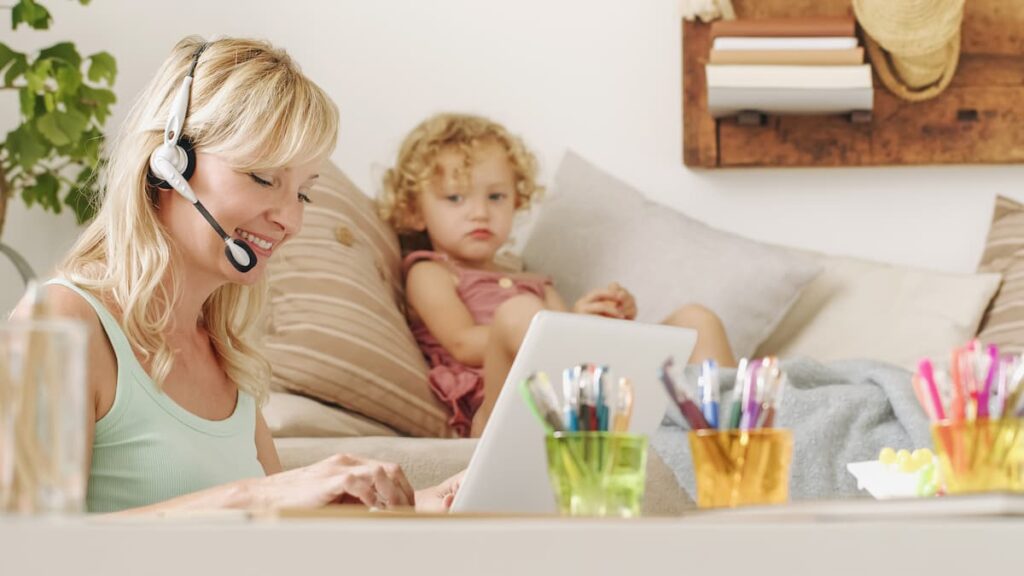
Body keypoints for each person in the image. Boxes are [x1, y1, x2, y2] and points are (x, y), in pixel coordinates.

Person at [9, 36, 458, 514]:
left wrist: (431, 503)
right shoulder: (60, 320)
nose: (290, 219)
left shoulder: (225, 355)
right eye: (263, 178)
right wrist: (251, 495)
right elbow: (22, 546)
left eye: (303, 193)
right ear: (170, 163)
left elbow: (278, 522)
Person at [378, 113, 736, 438]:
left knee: (696, 320)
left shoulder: (535, 283)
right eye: (455, 198)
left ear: (516, 201)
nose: (480, 212)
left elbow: (573, 349)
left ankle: (725, 441)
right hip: (499, 409)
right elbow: (461, 343)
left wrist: (604, 317)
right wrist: (557, 325)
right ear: (414, 212)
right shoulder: (431, 272)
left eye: (496, 196)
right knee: (521, 312)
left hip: (579, 396)